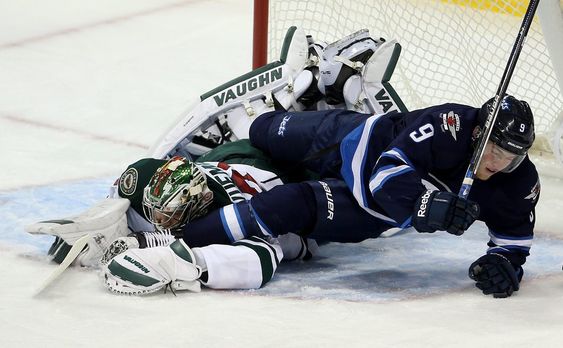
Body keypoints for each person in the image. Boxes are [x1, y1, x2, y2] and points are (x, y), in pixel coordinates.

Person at [112, 94, 539, 299]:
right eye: (494, 150)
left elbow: (513, 239)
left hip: (368, 210)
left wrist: (503, 264)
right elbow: (386, 172)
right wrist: (427, 206)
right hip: (351, 141)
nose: (499, 163)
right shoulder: (449, 125)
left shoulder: (517, 182)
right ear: (478, 133)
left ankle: (170, 244)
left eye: (511, 156)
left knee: (289, 204)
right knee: (262, 130)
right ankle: (312, 97)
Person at [27, 140, 318, 295]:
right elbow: (122, 190)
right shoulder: (146, 174)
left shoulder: (236, 209)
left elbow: (266, 256)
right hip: (230, 154)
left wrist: (184, 263)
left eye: (170, 215)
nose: (159, 219)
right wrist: (108, 216)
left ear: (196, 207)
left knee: (298, 242)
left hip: (284, 180)